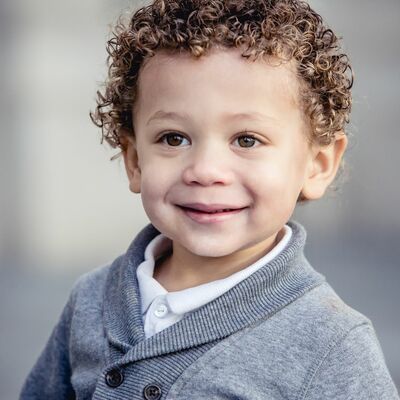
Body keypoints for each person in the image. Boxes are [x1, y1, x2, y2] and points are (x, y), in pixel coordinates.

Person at [20, 0, 400, 399]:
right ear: (134, 161)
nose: (205, 170)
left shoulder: (333, 347)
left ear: (317, 165)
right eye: (173, 138)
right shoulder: (92, 299)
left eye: (246, 140)